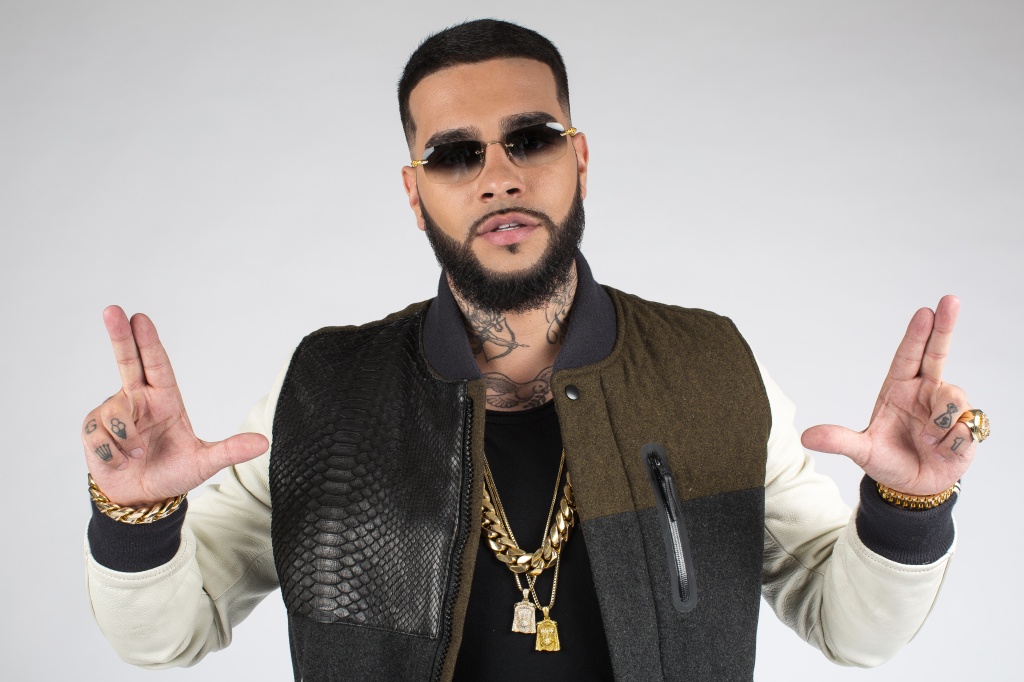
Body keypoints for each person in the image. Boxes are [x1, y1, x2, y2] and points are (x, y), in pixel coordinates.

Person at [81, 19, 988, 682]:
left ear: (579, 159)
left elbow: (850, 629)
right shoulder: (326, 390)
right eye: (454, 155)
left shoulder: (709, 369)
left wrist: (908, 506)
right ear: (414, 193)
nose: (499, 175)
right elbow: (170, 635)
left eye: (531, 139)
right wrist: (137, 518)